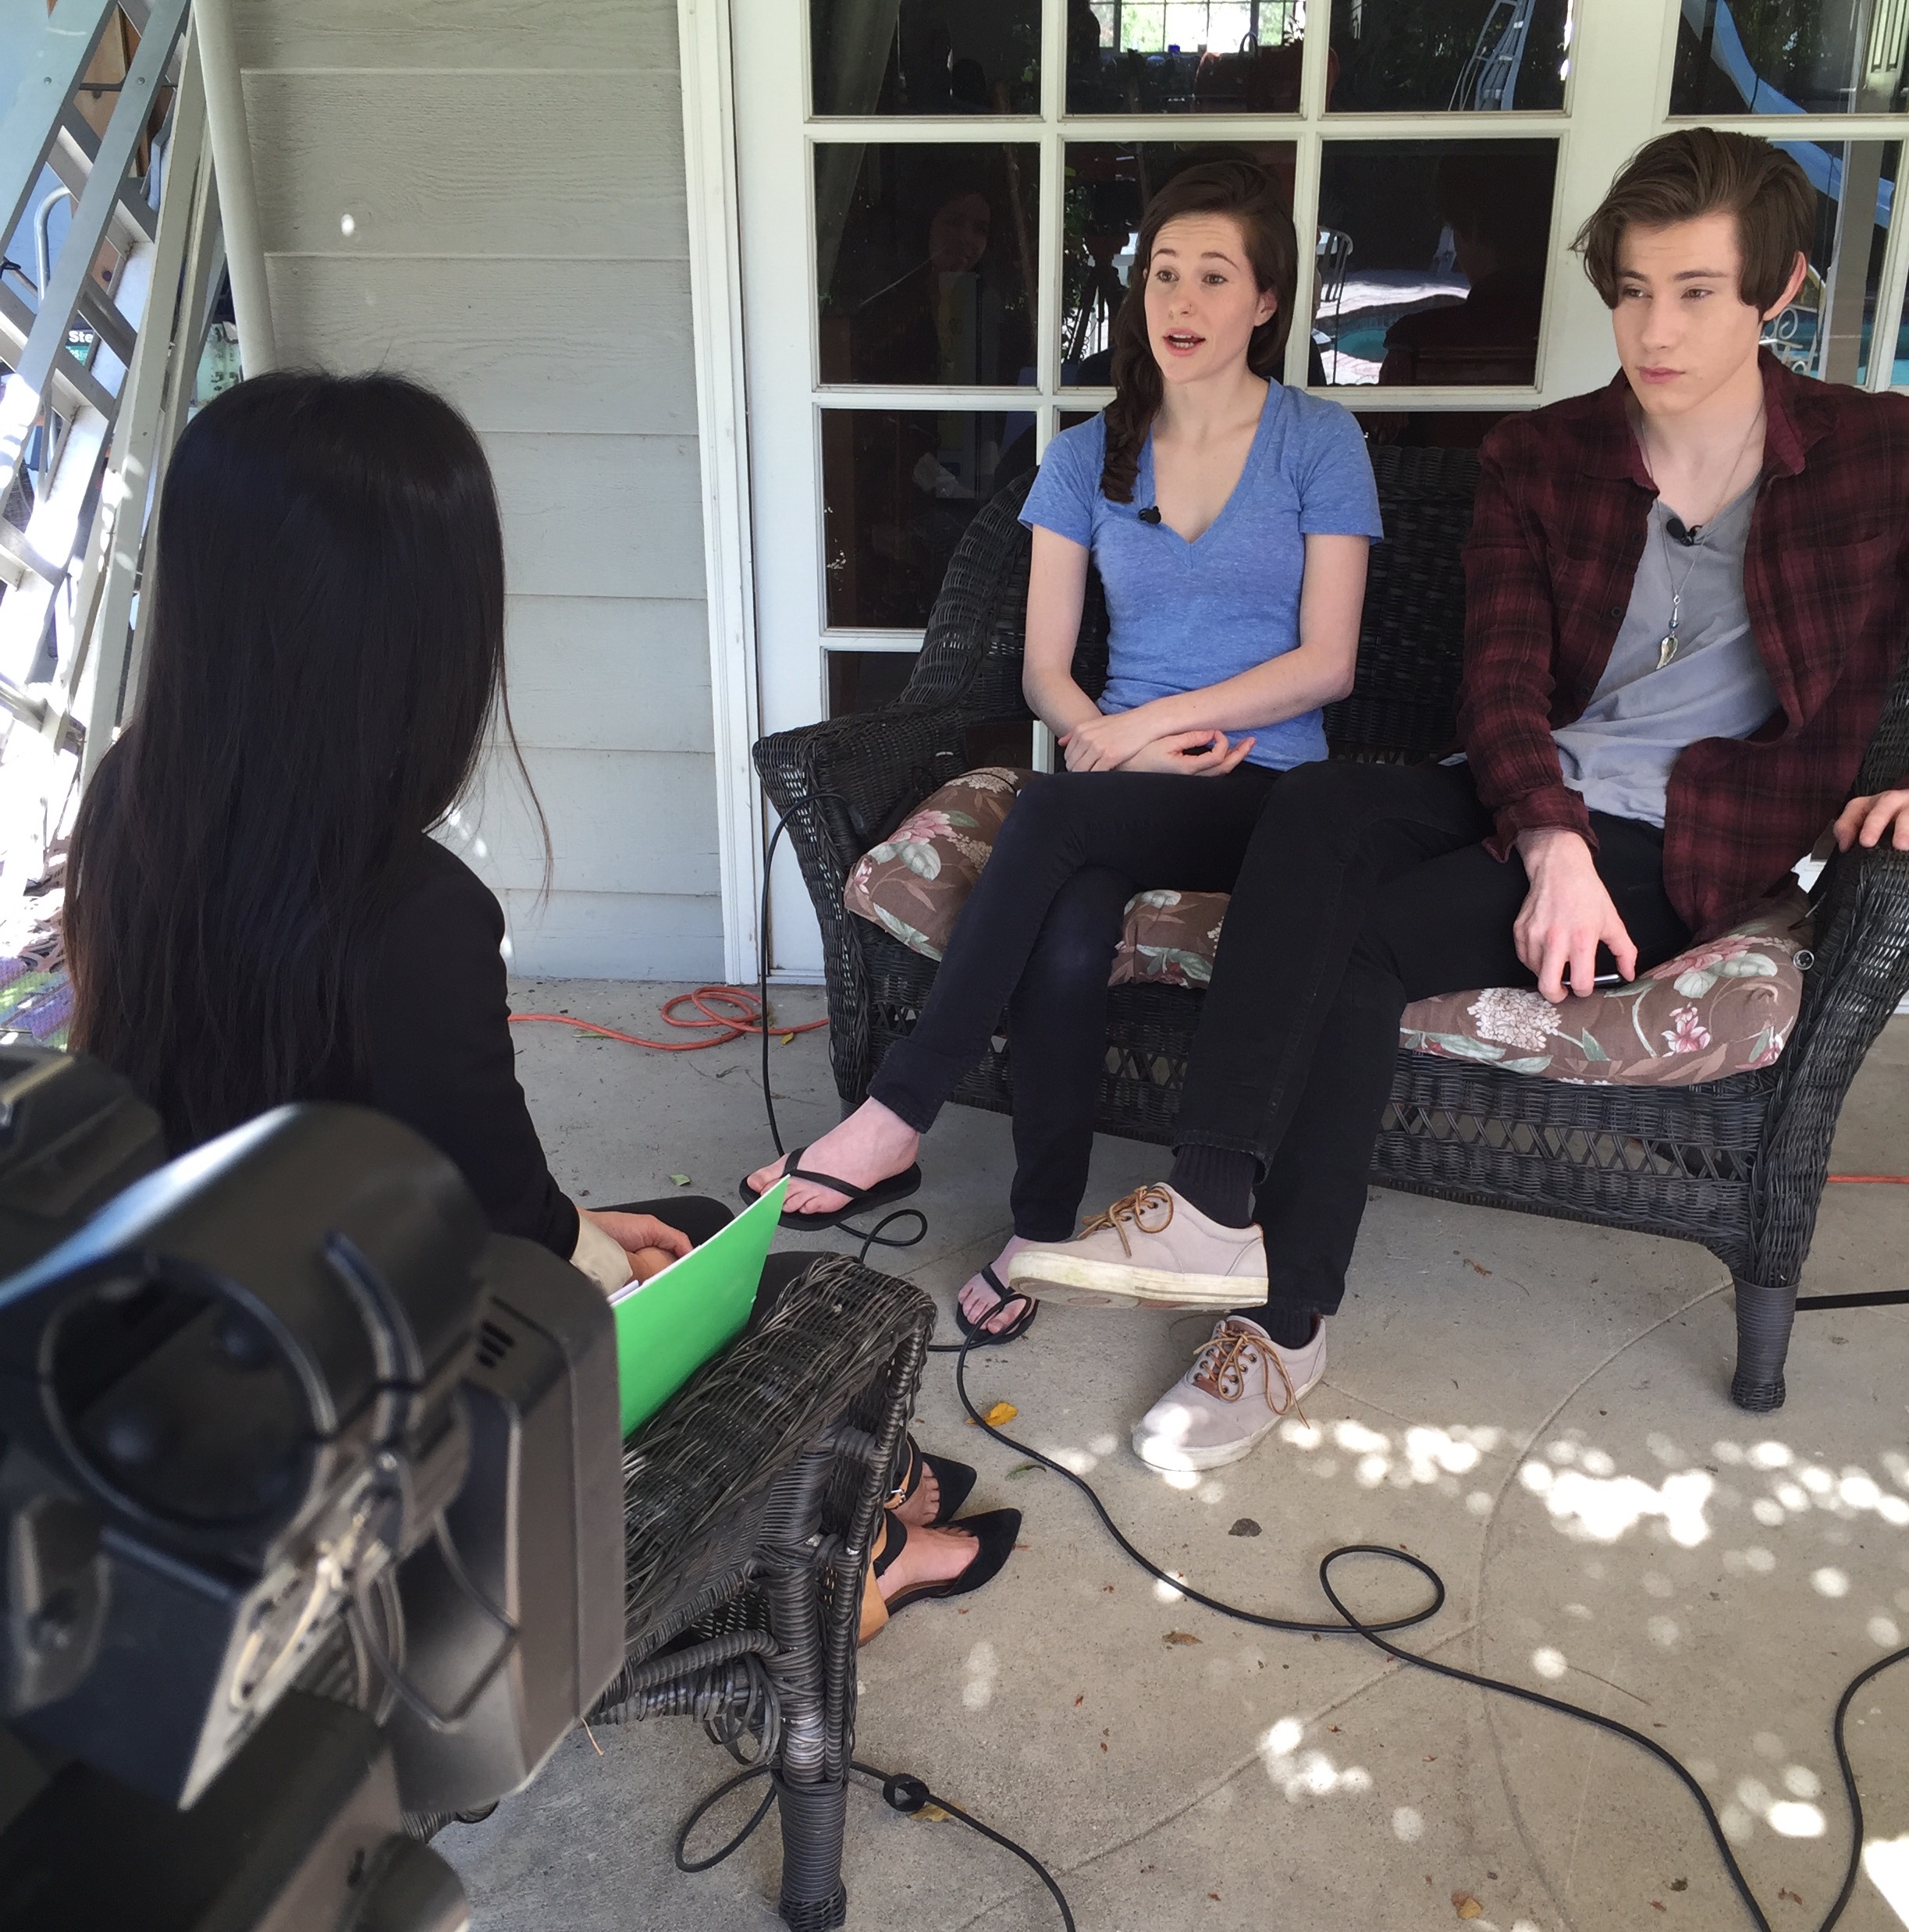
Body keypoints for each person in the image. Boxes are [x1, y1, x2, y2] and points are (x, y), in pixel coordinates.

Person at [1003, 128, 1909, 1472]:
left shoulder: (1870, 454)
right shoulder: (1540, 459)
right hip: (1521, 792)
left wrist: (1893, 762)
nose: (1653, 330)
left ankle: (1286, 1328)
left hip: (1685, 834)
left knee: (1364, 946)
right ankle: (1208, 1206)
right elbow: (1494, 682)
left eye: (1697, 293)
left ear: (1777, 289)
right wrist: (1544, 836)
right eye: (1632, 290)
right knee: (1317, 815)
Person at [63, 371, 1008, 1624]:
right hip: (381, 1430)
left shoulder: (133, 798)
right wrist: (587, 1248)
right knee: (789, 1295)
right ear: (419, 638)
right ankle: (861, 1545)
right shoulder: (414, 913)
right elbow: (505, 1219)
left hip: (215, 1343)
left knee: (670, 1221)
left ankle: (873, 1492)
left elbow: (392, 1160)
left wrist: (582, 1229)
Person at [744, 161, 1384, 1339]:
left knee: (1045, 818)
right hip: (1121, 786)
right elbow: (1043, 665)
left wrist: (1136, 730)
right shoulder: (1089, 455)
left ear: (1265, 303)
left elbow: (1326, 661)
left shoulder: (1317, 443)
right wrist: (1105, 737)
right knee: (1072, 918)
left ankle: (897, 1109)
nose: (1180, 301)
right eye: (1161, 274)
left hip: (1269, 794)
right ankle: (1040, 1227)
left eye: (1213, 276)